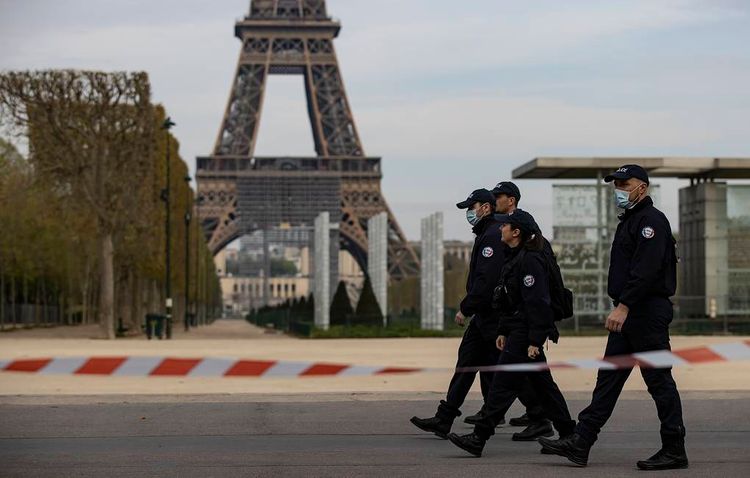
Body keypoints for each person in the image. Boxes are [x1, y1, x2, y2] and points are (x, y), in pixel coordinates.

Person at [540, 164, 688, 470]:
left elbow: (645, 271)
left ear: (642, 188)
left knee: (659, 382)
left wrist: (624, 306)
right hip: (630, 313)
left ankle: (674, 448)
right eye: (616, 184)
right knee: (607, 380)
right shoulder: (631, 221)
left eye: (624, 184)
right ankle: (581, 442)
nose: (618, 189)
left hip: (644, 313)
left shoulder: (651, 222)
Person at [447, 209, 575, 457]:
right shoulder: (514, 257)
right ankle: (570, 433)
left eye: (505, 226)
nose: (500, 229)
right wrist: (504, 329)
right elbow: (508, 300)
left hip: (526, 333)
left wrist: (535, 340)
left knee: (502, 386)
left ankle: (479, 437)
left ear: (516, 232)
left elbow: (537, 303)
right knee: (544, 387)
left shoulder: (529, 261)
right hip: (519, 330)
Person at [410, 188, 506, 438]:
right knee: (467, 364)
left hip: (490, 315)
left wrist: (466, 307)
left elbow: (486, 279)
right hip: (484, 316)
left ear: (485, 207)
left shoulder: (493, 235)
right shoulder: (486, 233)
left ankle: (549, 418)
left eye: (470, 208)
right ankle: (445, 418)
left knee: (507, 374)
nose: (468, 213)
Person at [491, 182, 553, 441]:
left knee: (506, 379)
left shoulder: (528, 255)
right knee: (539, 381)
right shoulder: (516, 250)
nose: (501, 228)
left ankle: (481, 430)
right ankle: (551, 422)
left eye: (499, 196)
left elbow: (535, 298)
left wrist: (535, 337)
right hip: (519, 324)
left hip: (525, 324)